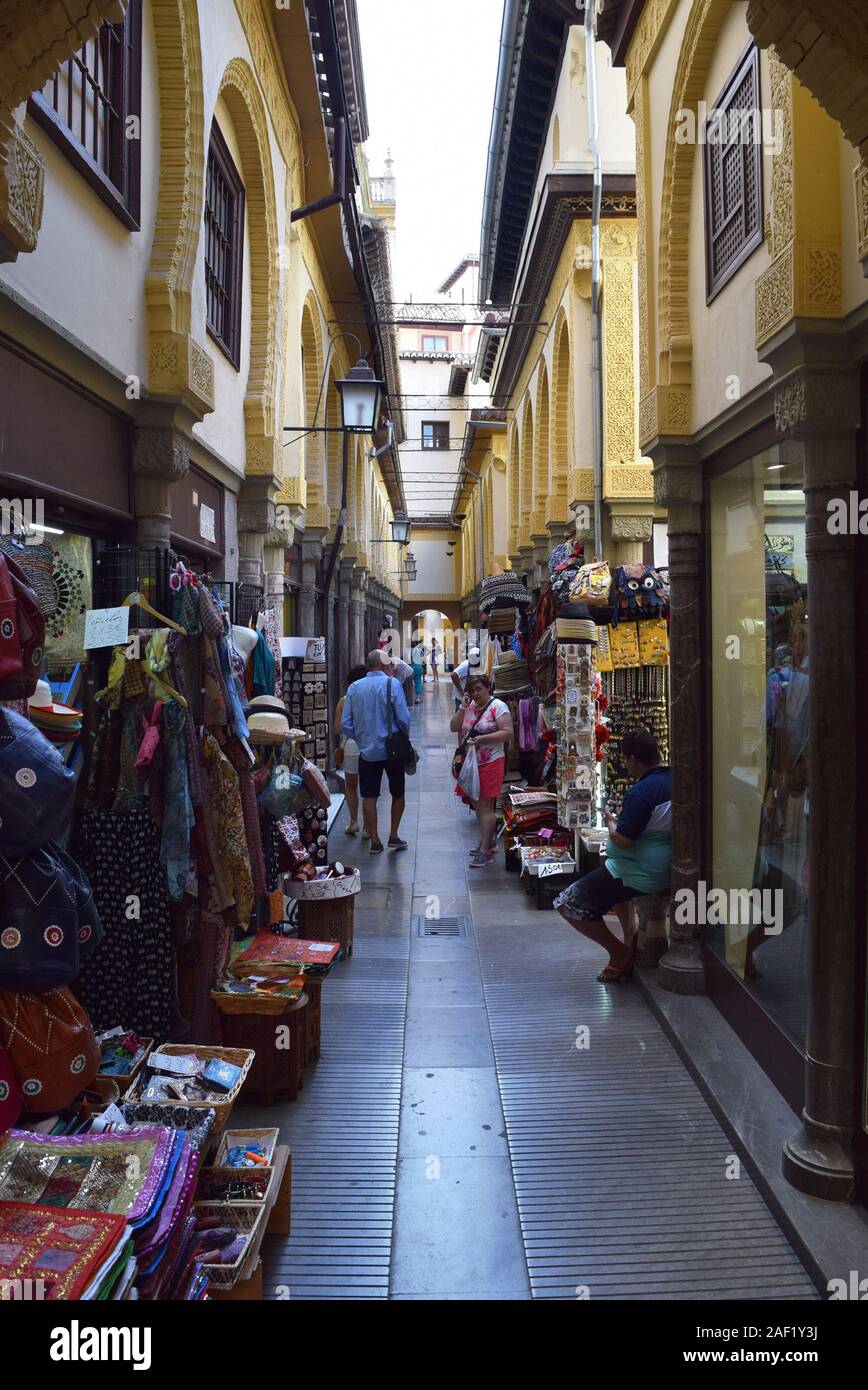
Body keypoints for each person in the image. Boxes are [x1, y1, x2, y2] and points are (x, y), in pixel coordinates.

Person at [554, 729, 672, 983]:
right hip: (641, 865)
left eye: (625, 760)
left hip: (640, 871)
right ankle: (629, 935)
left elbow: (623, 839)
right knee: (608, 864)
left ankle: (619, 953)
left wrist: (610, 822)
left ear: (632, 760)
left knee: (568, 903)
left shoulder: (643, 792)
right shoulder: (671, 779)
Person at [341, 650, 411, 853]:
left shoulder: (354, 688)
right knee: (398, 793)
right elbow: (404, 719)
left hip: (367, 752)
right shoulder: (392, 684)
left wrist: (362, 738)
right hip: (392, 751)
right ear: (381, 665)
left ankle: (375, 840)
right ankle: (393, 835)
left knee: (369, 796)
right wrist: (402, 735)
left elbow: (346, 723)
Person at [450, 673, 513, 868]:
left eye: (479, 689)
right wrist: (462, 706)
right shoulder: (468, 707)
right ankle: (489, 842)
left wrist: (483, 740)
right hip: (471, 764)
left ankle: (485, 851)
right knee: (478, 806)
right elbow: (453, 727)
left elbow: (507, 732)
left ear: (488, 688)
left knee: (486, 807)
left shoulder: (498, 707)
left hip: (491, 762)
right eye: (472, 690)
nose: (475, 693)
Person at [334, 665, 366, 834]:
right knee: (369, 787)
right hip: (369, 743)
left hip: (351, 744)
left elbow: (337, 728)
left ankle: (354, 822)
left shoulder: (343, 700)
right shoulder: (370, 697)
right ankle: (369, 827)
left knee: (351, 785)